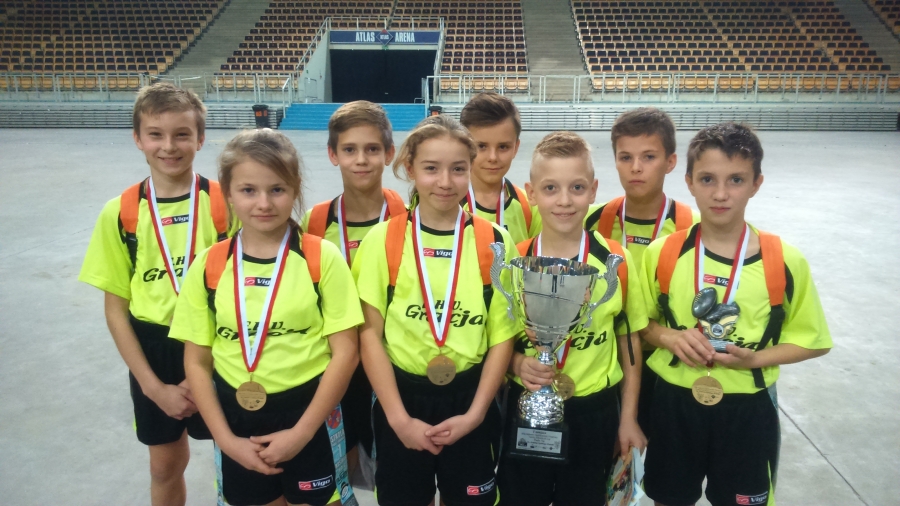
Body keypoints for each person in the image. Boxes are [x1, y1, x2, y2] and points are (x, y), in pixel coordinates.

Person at [638, 123, 832, 506]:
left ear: (757, 183)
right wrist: (670, 337)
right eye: (708, 179)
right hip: (674, 401)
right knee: (669, 497)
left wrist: (756, 359)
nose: (721, 193)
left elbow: (814, 341)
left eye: (736, 180)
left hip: (748, 406)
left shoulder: (784, 261)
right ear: (689, 182)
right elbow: (641, 323)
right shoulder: (663, 253)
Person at [170, 129, 362, 506]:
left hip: (311, 415)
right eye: (248, 190)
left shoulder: (321, 258)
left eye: (277, 189)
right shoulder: (208, 265)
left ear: (295, 188)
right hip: (236, 423)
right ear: (227, 192)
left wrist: (302, 433)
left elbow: (346, 353)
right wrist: (226, 440)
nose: (264, 203)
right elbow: (196, 361)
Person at [353, 115, 519, 506]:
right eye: (431, 168)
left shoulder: (495, 242)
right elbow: (369, 335)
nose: (445, 181)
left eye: (458, 169)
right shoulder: (383, 240)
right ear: (410, 169)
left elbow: (502, 336)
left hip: (472, 397)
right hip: (401, 398)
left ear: (470, 169)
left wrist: (476, 415)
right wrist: (398, 420)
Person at [78, 82, 228, 506]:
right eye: (156, 135)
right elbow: (115, 311)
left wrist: (203, 373)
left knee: (239, 462)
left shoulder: (226, 203)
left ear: (200, 138)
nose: (169, 146)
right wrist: (152, 387)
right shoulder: (121, 212)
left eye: (182, 134)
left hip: (222, 345)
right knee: (164, 467)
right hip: (154, 352)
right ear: (138, 138)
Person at [497, 131, 647, 506]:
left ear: (593, 190)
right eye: (551, 188)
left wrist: (628, 417)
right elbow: (496, 341)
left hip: (594, 410)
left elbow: (629, 342)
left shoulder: (616, 262)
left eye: (577, 188)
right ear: (531, 193)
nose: (564, 200)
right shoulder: (514, 263)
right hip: (526, 404)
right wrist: (516, 362)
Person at [301, 100, 406, 475]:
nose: (361, 159)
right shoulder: (314, 224)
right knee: (341, 464)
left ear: (389, 153)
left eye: (372, 149)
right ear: (333, 154)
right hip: (336, 365)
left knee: (392, 465)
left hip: (392, 362)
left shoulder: (409, 221)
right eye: (349, 150)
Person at [584, 107, 698, 433]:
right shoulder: (589, 221)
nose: (636, 167)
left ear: (671, 162)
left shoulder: (693, 229)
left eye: (649, 157)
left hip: (668, 364)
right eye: (626, 157)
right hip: (604, 358)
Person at [459, 92, 541, 243]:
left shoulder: (531, 206)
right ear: (464, 146)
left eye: (503, 147)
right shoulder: (445, 202)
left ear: (515, 148)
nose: (493, 157)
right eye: (481, 146)